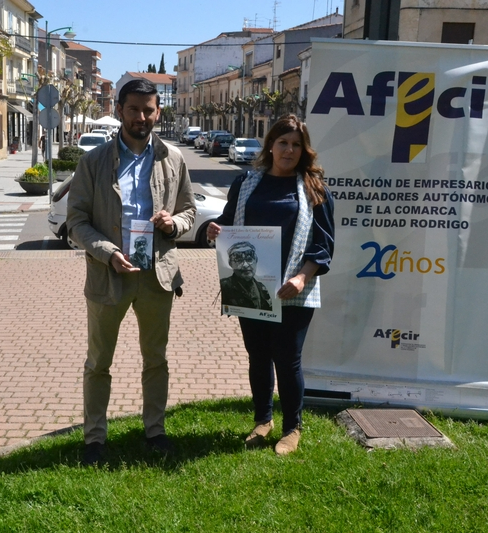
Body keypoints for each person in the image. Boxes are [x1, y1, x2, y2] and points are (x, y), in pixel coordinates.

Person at [67, 79, 197, 465]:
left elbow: (189, 209)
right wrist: (106, 252)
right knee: (98, 361)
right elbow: (76, 221)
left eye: (149, 110)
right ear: (120, 109)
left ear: (158, 112)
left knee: (155, 358)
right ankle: (94, 439)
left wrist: (173, 224)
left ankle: (155, 431)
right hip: (110, 274)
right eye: (134, 109)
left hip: (158, 275)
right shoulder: (93, 162)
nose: (142, 117)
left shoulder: (173, 158)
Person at [207, 114, 334, 456]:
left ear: (304, 150)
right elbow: (228, 222)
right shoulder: (247, 183)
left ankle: (292, 428)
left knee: (288, 359)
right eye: (282, 142)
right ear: (271, 145)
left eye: (296, 144)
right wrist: (215, 230)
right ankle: (263, 420)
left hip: (295, 290)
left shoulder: (314, 188)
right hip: (254, 291)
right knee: (258, 357)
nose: (289, 150)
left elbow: (324, 245)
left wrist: (301, 277)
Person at [220, 241, 272, 310]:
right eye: (239, 260)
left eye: (249, 259)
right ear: (231, 264)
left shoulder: (262, 288)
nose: (245, 265)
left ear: (256, 261)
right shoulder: (225, 285)